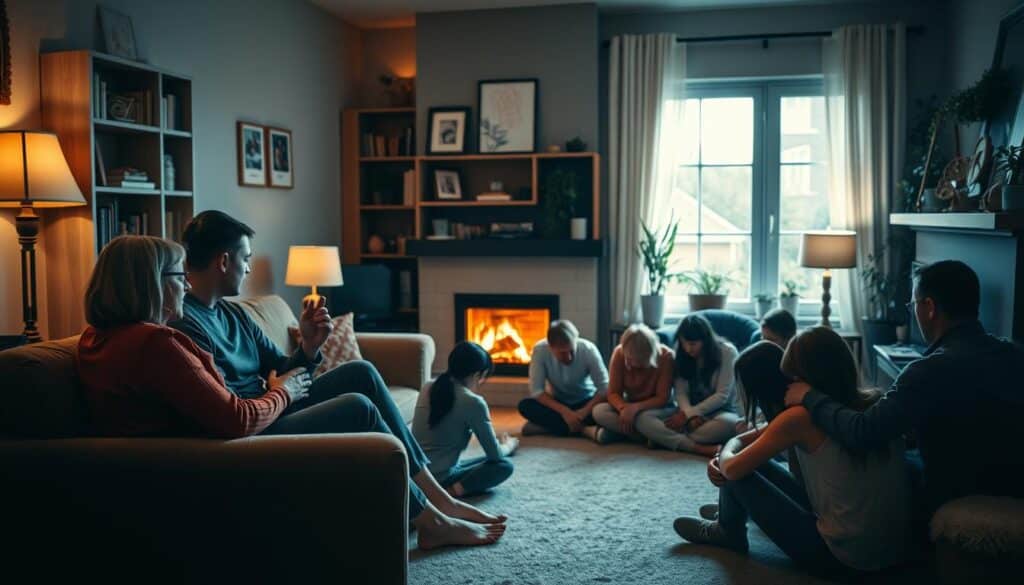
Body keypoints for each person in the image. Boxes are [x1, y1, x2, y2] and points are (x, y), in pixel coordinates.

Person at [76, 236, 504, 550]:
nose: (184, 285)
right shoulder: (160, 341)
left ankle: (438, 497)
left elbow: (267, 371)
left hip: (239, 421)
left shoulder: (101, 338)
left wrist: (308, 351)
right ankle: (429, 519)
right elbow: (235, 418)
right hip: (234, 441)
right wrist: (281, 393)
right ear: (149, 282)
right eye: (176, 276)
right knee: (358, 407)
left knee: (360, 372)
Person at [785, 260, 1024, 513]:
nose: (913, 313)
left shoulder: (930, 370)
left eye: (913, 305)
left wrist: (810, 396)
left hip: (955, 494)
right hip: (1014, 486)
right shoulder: (1014, 353)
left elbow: (862, 432)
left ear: (929, 307)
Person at [674, 329, 911, 575]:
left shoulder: (799, 418)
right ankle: (736, 512)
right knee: (752, 460)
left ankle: (727, 530)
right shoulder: (874, 403)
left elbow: (732, 468)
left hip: (842, 559)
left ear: (803, 380)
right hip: (890, 550)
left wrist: (724, 453)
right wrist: (730, 449)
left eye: (791, 377)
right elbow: (759, 438)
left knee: (738, 473)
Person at [413, 342, 518, 498]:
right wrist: (509, 445)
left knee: (482, 461)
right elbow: (495, 456)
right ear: (476, 375)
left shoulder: (428, 386)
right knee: (504, 465)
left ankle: (442, 489)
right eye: (483, 377)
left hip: (417, 473)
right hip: (439, 477)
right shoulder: (473, 402)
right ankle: (449, 493)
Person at [635, 314, 739, 456]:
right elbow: (680, 393)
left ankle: (662, 438)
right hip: (685, 412)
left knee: (730, 424)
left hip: (719, 412)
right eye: (684, 343)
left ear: (705, 340)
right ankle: (692, 446)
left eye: (692, 344)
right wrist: (688, 415)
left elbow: (722, 396)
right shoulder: (681, 354)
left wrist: (690, 415)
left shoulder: (727, 352)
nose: (687, 349)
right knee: (642, 418)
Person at [517, 320, 609, 436]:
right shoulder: (540, 350)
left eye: (571, 351)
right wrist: (565, 412)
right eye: (562, 353)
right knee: (525, 406)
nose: (569, 357)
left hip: (586, 402)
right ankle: (584, 430)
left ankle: (547, 428)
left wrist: (583, 412)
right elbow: (537, 391)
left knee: (603, 410)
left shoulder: (588, 349)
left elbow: (604, 388)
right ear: (550, 347)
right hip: (558, 404)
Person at [589, 324, 673, 444]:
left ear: (647, 356)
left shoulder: (666, 357)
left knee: (643, 419)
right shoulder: (619, 353)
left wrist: (635, 408)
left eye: (634, 360)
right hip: (629, 404)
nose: (628, 363)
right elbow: (613, 393)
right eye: (627, 358)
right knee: (599, 411)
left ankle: (625, 433)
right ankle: (645, 437)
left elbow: (662, 398)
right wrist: (623, 408)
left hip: (656, 408)